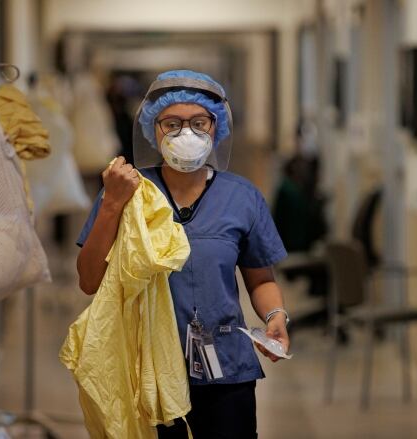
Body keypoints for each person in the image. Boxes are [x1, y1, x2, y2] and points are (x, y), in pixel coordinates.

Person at [76, 69, 289, 439]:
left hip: (225, 364)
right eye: (171, 123)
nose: (185, 134)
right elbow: (89, 279)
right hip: (147, 369)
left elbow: (261, 278)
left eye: (198, 122)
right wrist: (111, 203)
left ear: (216, 127)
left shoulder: (242, 198)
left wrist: (275, 315)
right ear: (152, 129)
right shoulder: (128, 192)